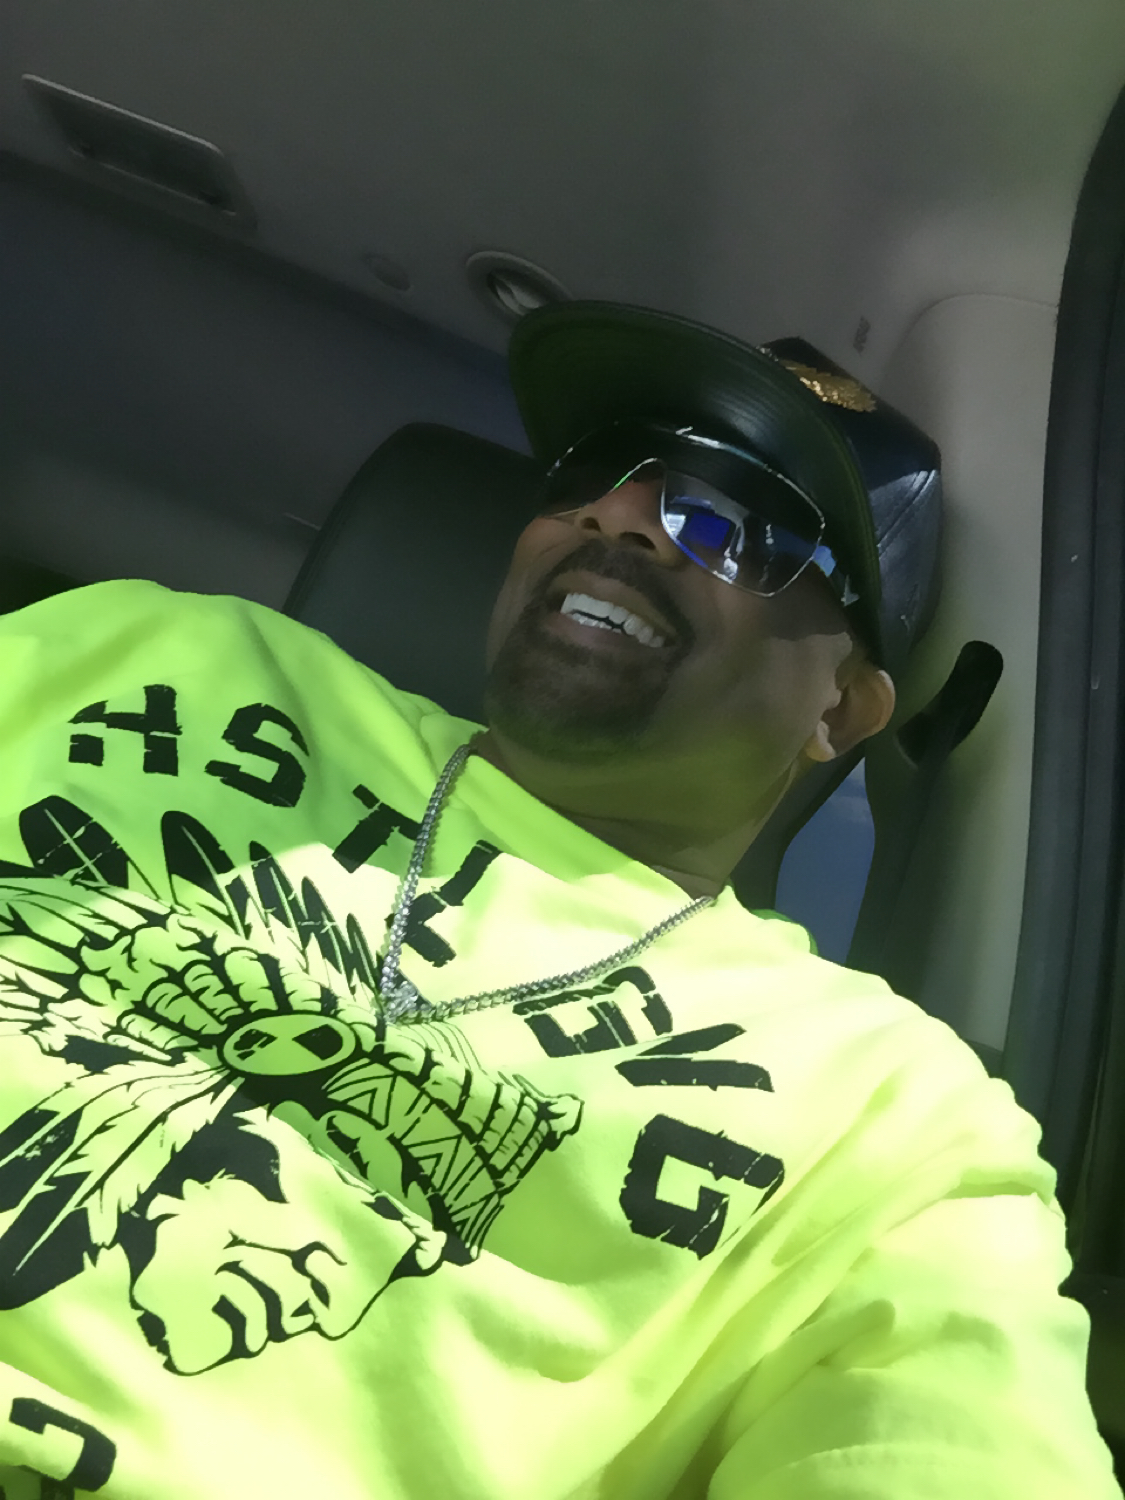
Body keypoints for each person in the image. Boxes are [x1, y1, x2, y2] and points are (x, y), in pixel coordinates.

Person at [0, 301, 1115, 1499]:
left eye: (732, 522)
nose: (620, 514)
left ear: (840, 709)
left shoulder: (891, 1116)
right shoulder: (161, 651)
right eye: (598, 472)